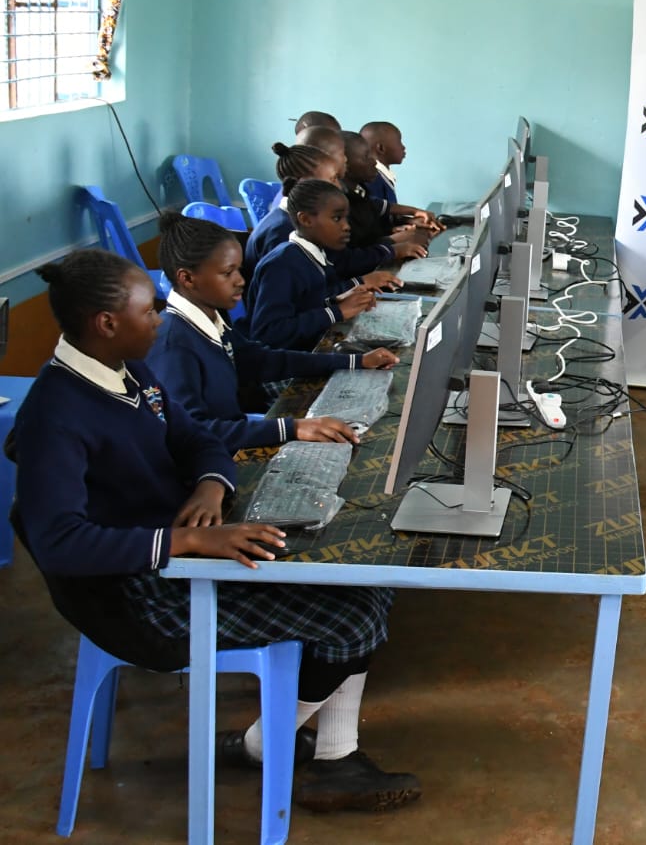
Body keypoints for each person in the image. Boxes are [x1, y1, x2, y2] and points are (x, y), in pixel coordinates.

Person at [12, 249, 420, 811]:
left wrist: (210, 487)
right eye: (148, 311)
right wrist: (188, 541)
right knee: (350, 618)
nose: (159, 319)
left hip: (178, 558)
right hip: (139, 594)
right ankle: (265, 746)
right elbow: (59, 542)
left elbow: (198, 439)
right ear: (106, 323)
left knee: (370, 583)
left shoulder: (129, 371)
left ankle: (332, 756)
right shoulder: (55, 415)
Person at [147, 212, 398, 451]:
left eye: (238, 269)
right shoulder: (173, 345)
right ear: (187, 279)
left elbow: (264, 360)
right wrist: (290, 428)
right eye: (227, 273)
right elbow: (192, 431)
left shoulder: (209, 320)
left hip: (231, 441)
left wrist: (355, 360)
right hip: (212, 465)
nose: (240, 281)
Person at [242, 143, 414, 284]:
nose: (339, 187)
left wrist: (388, 251)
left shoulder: (310, 218)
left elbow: (337, 262)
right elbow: (303, 293)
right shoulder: (283, 231)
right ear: (305, 182)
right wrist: (359, 283)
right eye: (332, 179)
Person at [244, 180, 382, 350]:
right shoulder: (282, 265)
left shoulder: (315, 252)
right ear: (306, 219)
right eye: (337, 218)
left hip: (310, 348)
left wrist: (337, 298)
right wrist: (336, 312)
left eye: (346, 218)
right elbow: (268, 333)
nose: (346, 226)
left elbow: (307, 301)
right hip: (287, 367)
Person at [342, 130, 439, 244]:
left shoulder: (361, 189)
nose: (374, 162)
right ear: (343, 163)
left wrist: (400, 225)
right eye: (366, 157)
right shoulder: (346, 199)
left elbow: (374, 209)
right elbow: (355, 248)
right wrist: (391, 240)